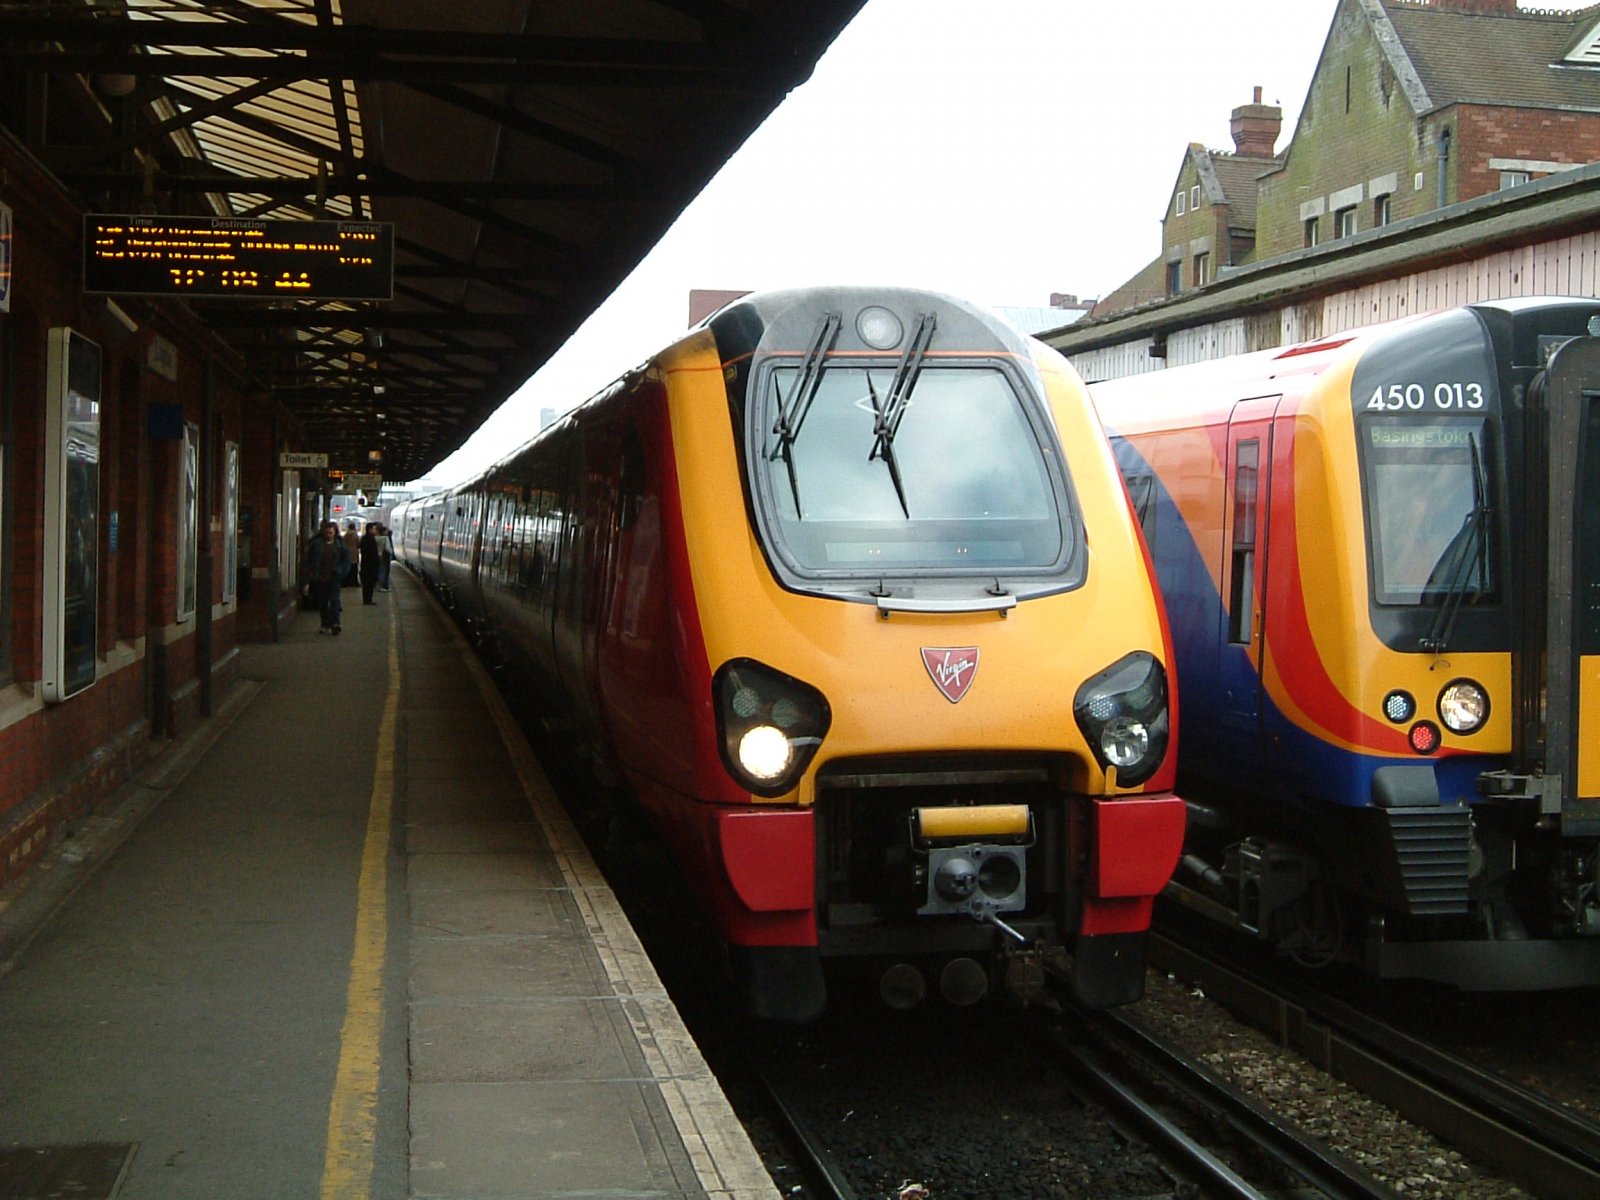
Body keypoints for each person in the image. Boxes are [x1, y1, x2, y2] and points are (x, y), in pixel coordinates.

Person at [306, 520, 349, 634]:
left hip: (334, 577)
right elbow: (309, 559)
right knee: (323, 602)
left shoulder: (340, 546)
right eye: (327, 532)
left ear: (335, 533)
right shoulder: (316, 545)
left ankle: (335, 623)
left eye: (331, 532)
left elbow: (346, 561)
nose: (329, 535)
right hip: (320, 577)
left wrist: (342, 573)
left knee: (334, 600)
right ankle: (325, 623)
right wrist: (311, 573)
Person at [359, 522, 383, 605]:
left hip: (365, 565)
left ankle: (366, 599)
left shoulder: (364, 538)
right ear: (369, 530)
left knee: (366, 585)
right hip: (370, 566)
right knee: (369, 584)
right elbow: (373, 554)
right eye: (374, 529)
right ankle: (368, 600)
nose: (375, 531)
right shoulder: (371, 540)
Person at [342, 520, 362, 587]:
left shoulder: (345, 535)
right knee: (354, 568)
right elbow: (358, 544)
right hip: (354, 552)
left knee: (347, 567)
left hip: (347, 552)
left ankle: (346, 582)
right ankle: (353, 582)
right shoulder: (355, 535)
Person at [378, 525, 395, 591]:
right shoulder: (385, 538)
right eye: (386, 531)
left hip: (378, 555)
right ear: (383, 531)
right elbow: (387, 548)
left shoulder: (376, 538)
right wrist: (391, 553)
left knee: (380, 570)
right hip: (385, 556)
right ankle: (384, 586)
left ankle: (379, 585)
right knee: (385, 570)